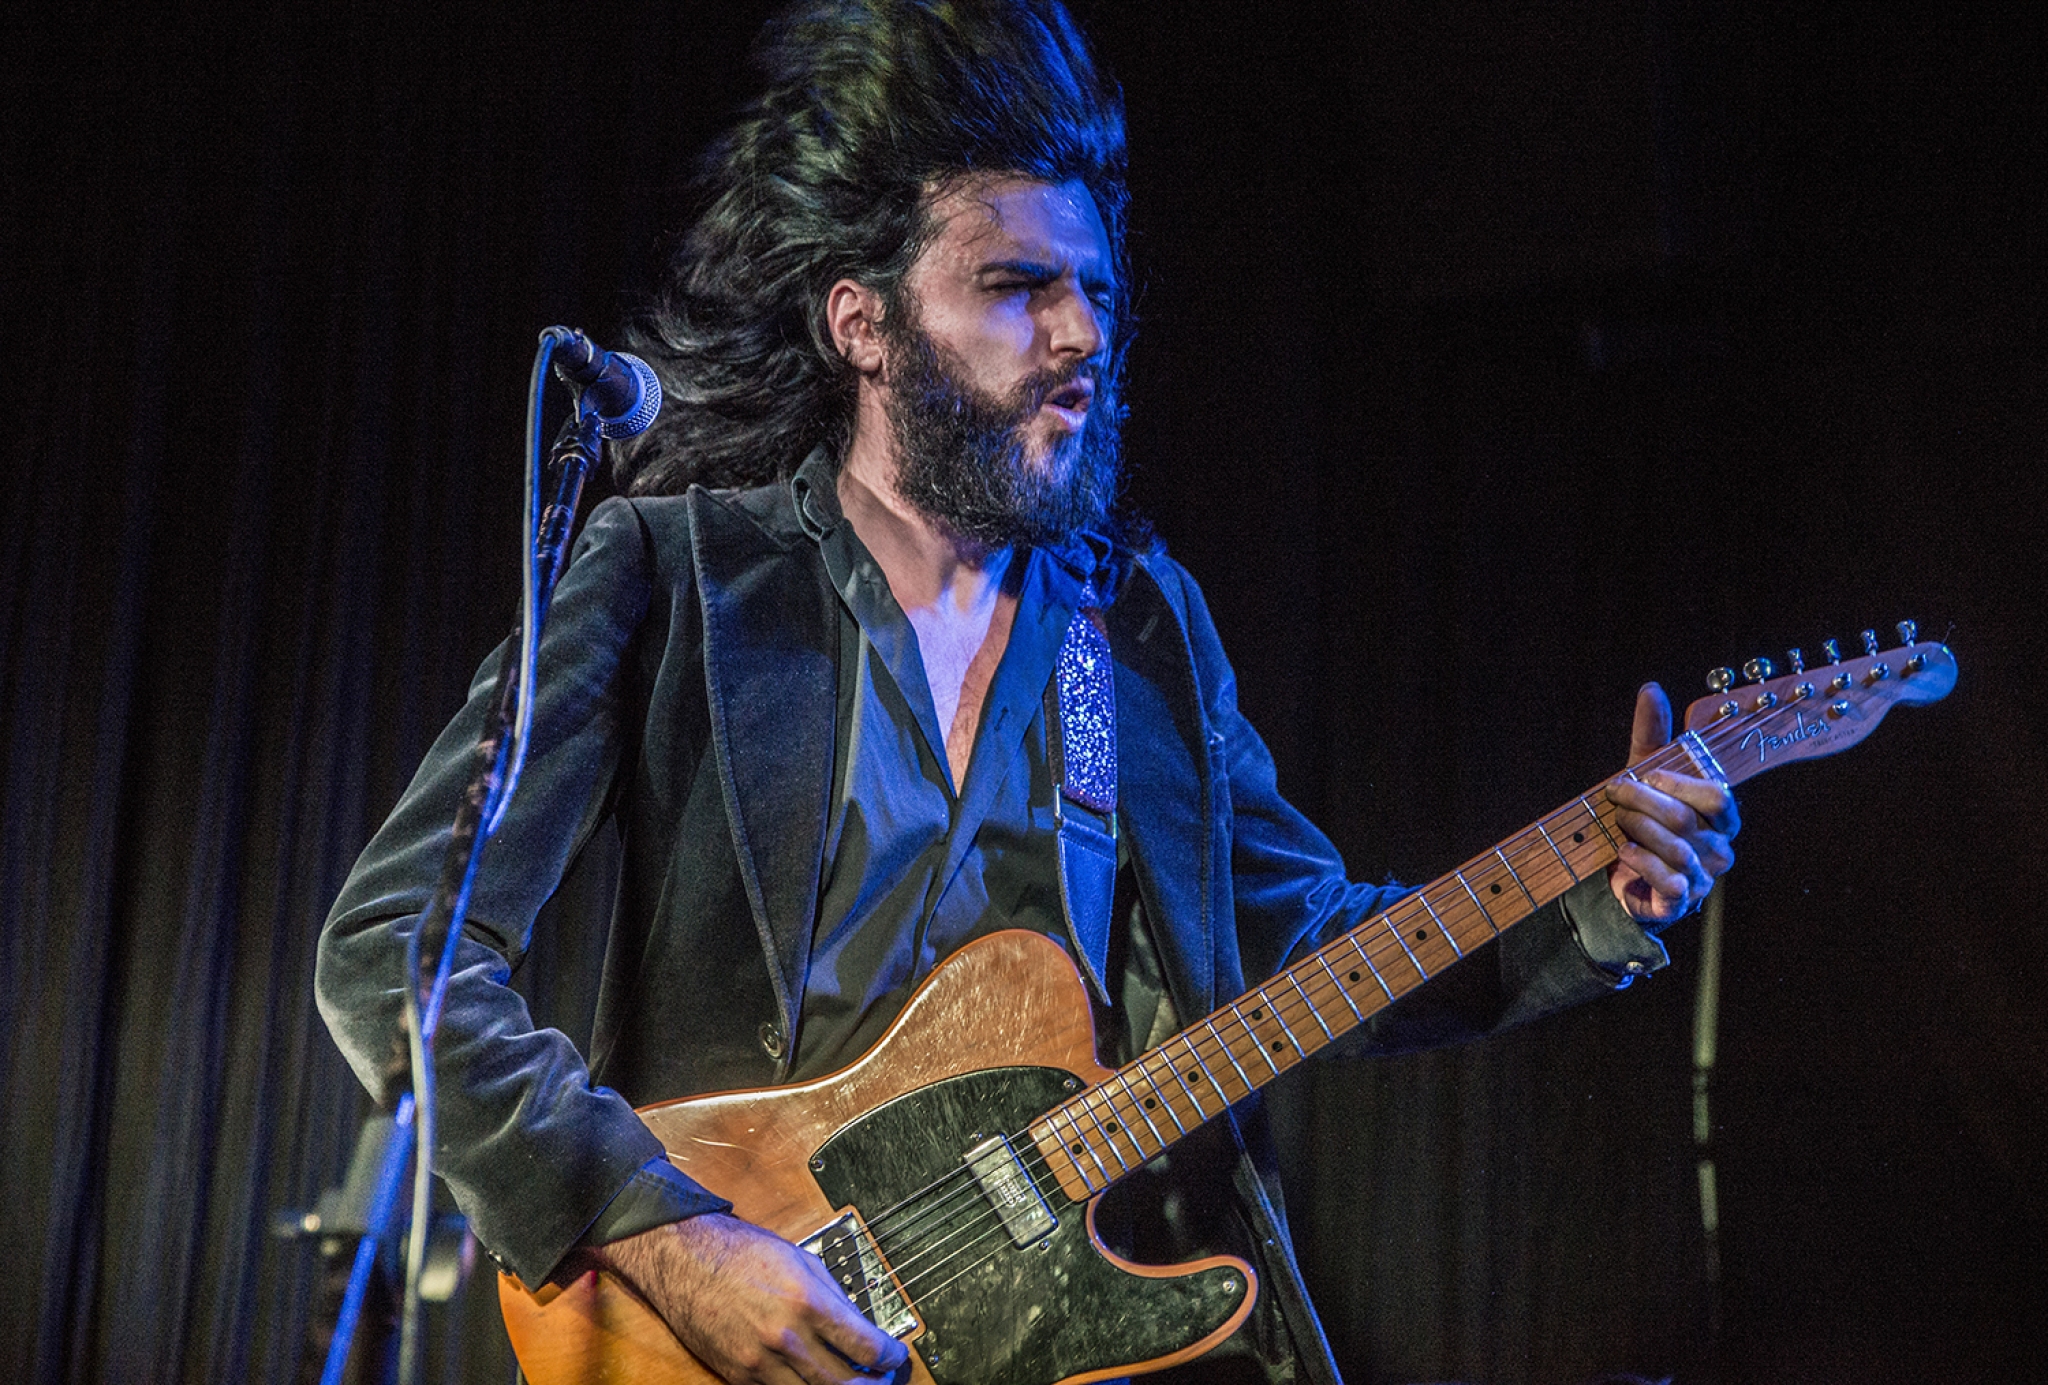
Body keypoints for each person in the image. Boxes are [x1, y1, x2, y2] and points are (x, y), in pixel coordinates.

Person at [316, 3, 1738, 1382]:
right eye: (1017, 288)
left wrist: (1594, 887)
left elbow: (1303, 950)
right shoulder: (678, 577)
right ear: (864, 323)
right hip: (715, 1330)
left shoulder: (1136, 633)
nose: (1080, 335)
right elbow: (395, 955)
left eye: (1096, 291)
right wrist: (675, 1238)